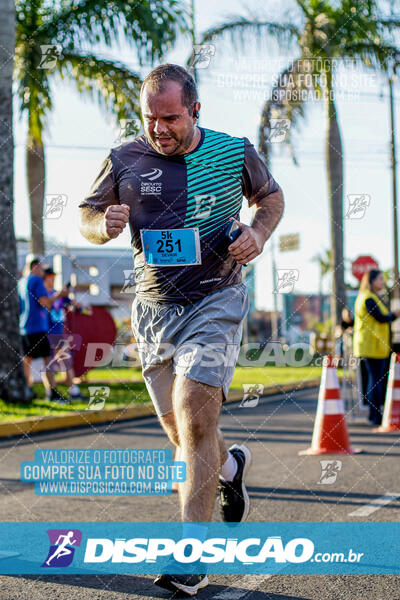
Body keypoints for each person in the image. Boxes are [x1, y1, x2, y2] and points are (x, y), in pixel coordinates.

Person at [79, 64, 284, 595]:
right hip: (153, 309)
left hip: (216, 295)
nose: (159, 128)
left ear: (195, 111)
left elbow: (271, 197)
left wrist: (259, 233)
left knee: (195, 418)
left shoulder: (232, 150)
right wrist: (102, 225)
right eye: (150, 118)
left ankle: (191, 558)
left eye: (170, 117)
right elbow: (87, 214)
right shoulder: (124, 156)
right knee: (183, 436)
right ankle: (231, 468)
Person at [18, 258, 69, 402]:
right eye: (41, 268)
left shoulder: (20, 282)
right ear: (34, 267)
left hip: (24, 327)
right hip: (38, 327)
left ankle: (27, 390)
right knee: (49, 360)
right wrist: (59, 296)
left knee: (26, 361)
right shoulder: (36, 280)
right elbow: (44, 302)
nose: (43, 272)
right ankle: (52, 393)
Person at [353, 269, 400, 425]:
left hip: (372, 346)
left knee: (373, 381)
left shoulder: (370, 298)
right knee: (375, 381)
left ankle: (373, 415)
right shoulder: (368, 298)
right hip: (371, 346)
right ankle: (375, 416)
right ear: (372, 281)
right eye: (380, 279)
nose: (382, 282)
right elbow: (380, 318)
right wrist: (394, 315)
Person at [43, 267, 83, 402]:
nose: (52, 279)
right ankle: (52, 393)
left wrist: (77, 305)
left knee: (66, 362)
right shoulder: (43, 294)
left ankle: (74, 391)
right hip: (47, 334)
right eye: (50, 276)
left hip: (59, 334)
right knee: (49, 364)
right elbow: (46, 304)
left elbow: (72, 304)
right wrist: (59, 295)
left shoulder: (57, 293)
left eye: (54, 276)